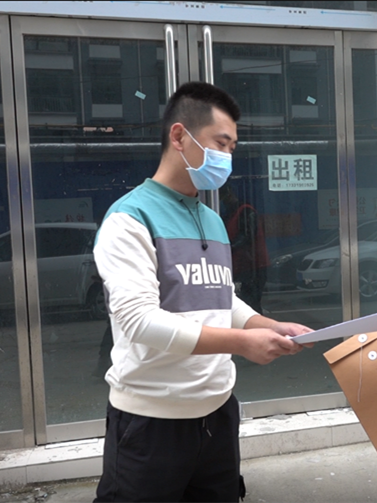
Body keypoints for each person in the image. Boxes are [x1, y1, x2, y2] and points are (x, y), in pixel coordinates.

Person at [92, 81, 312, 503]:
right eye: (220, 144)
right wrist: (242, 343)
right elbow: (139, 321)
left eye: (232, 148)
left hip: (217, 415)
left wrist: (266, 325)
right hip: (150, 422)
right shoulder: (129, 218)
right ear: (179, 136)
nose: (227, 157)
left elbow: (220, 297)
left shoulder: (211, 219)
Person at [220, 187, 269, 314]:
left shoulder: (246, 211)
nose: (222, 202)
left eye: (223, 197)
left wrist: (227, 249)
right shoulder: (230, 213)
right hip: (241, 265)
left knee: (250, 304)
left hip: (253, 266)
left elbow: (247, 236)